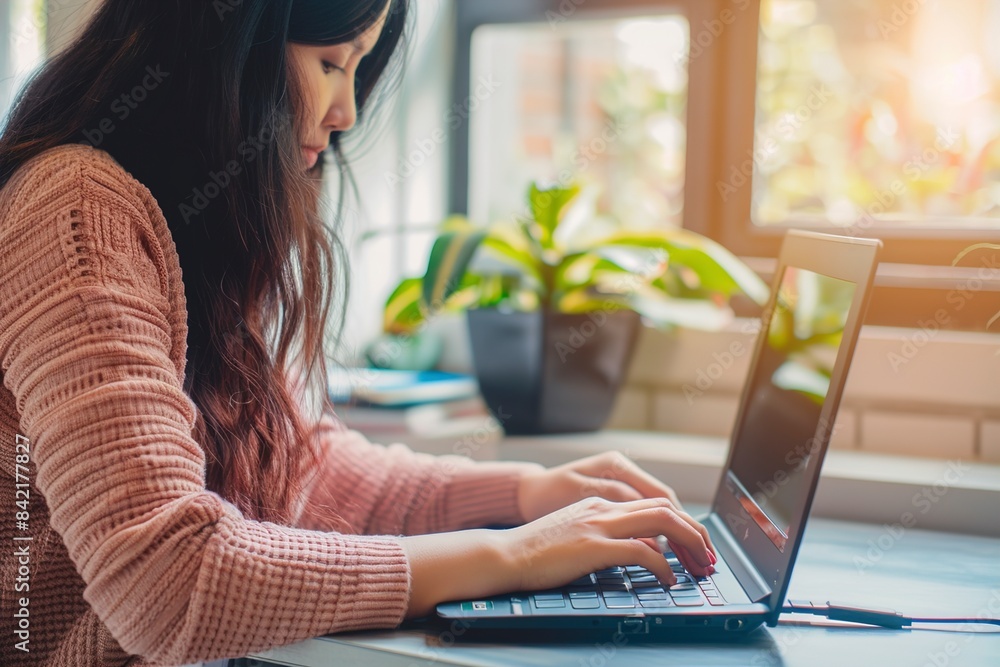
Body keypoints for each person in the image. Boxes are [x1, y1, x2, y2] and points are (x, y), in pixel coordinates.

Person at [0, 1, 716, 665]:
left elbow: (300, 469)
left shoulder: (190, 225)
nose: (346, 111)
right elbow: (165, 580)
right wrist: (514, 556)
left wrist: (525, 493)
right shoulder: (77, 212)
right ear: (225, 46)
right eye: (331, 62)